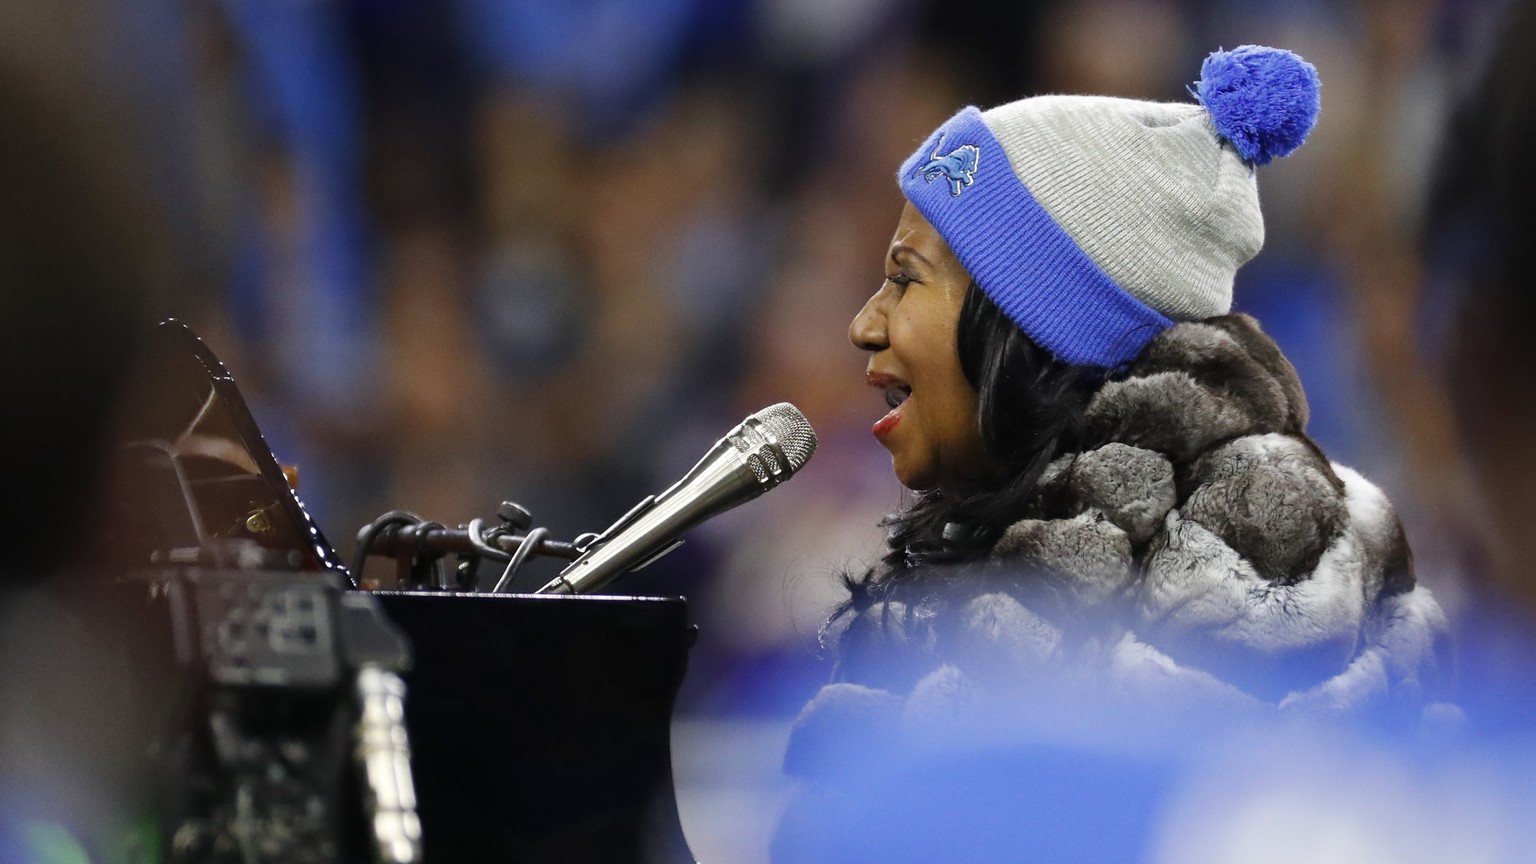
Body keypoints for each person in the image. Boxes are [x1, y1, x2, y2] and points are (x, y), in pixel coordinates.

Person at [773, 45, 1455, 863]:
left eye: (906, 280)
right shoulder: (1001, 530)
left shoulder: (1259, 545)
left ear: (1033, 320)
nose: (866, 324)